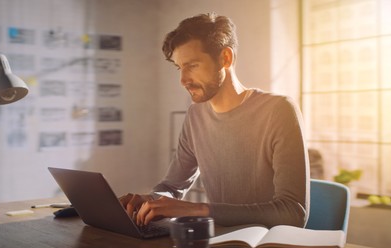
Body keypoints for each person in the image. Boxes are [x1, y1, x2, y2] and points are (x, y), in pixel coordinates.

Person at [120, 13, 309, 228]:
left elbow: (293, 213)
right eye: (179, 67)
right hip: (220, 244)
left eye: (192, 65)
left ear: (226, 58)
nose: (183, 80)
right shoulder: (195, 116)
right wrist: (150, 201)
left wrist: (198, 210)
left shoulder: (279, 110)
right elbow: (172, 186)